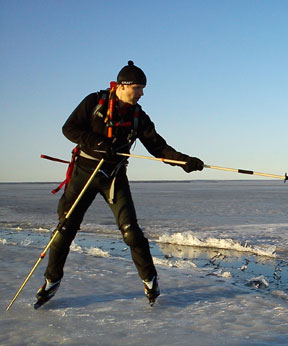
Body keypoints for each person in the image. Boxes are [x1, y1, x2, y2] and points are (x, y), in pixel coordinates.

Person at [35, 60, 205, 308]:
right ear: (123, 86)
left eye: (143, 88)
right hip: (84, 173)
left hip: (113, 177)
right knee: (65, 229)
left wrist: (185, 161)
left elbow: (159, 148)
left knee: (131, 232)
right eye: (138, 87)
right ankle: (51, 281)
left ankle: (150, 280)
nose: (142, 93)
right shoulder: (95, 102)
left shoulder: (138, 116)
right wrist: (97, 143)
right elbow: (69, 128)